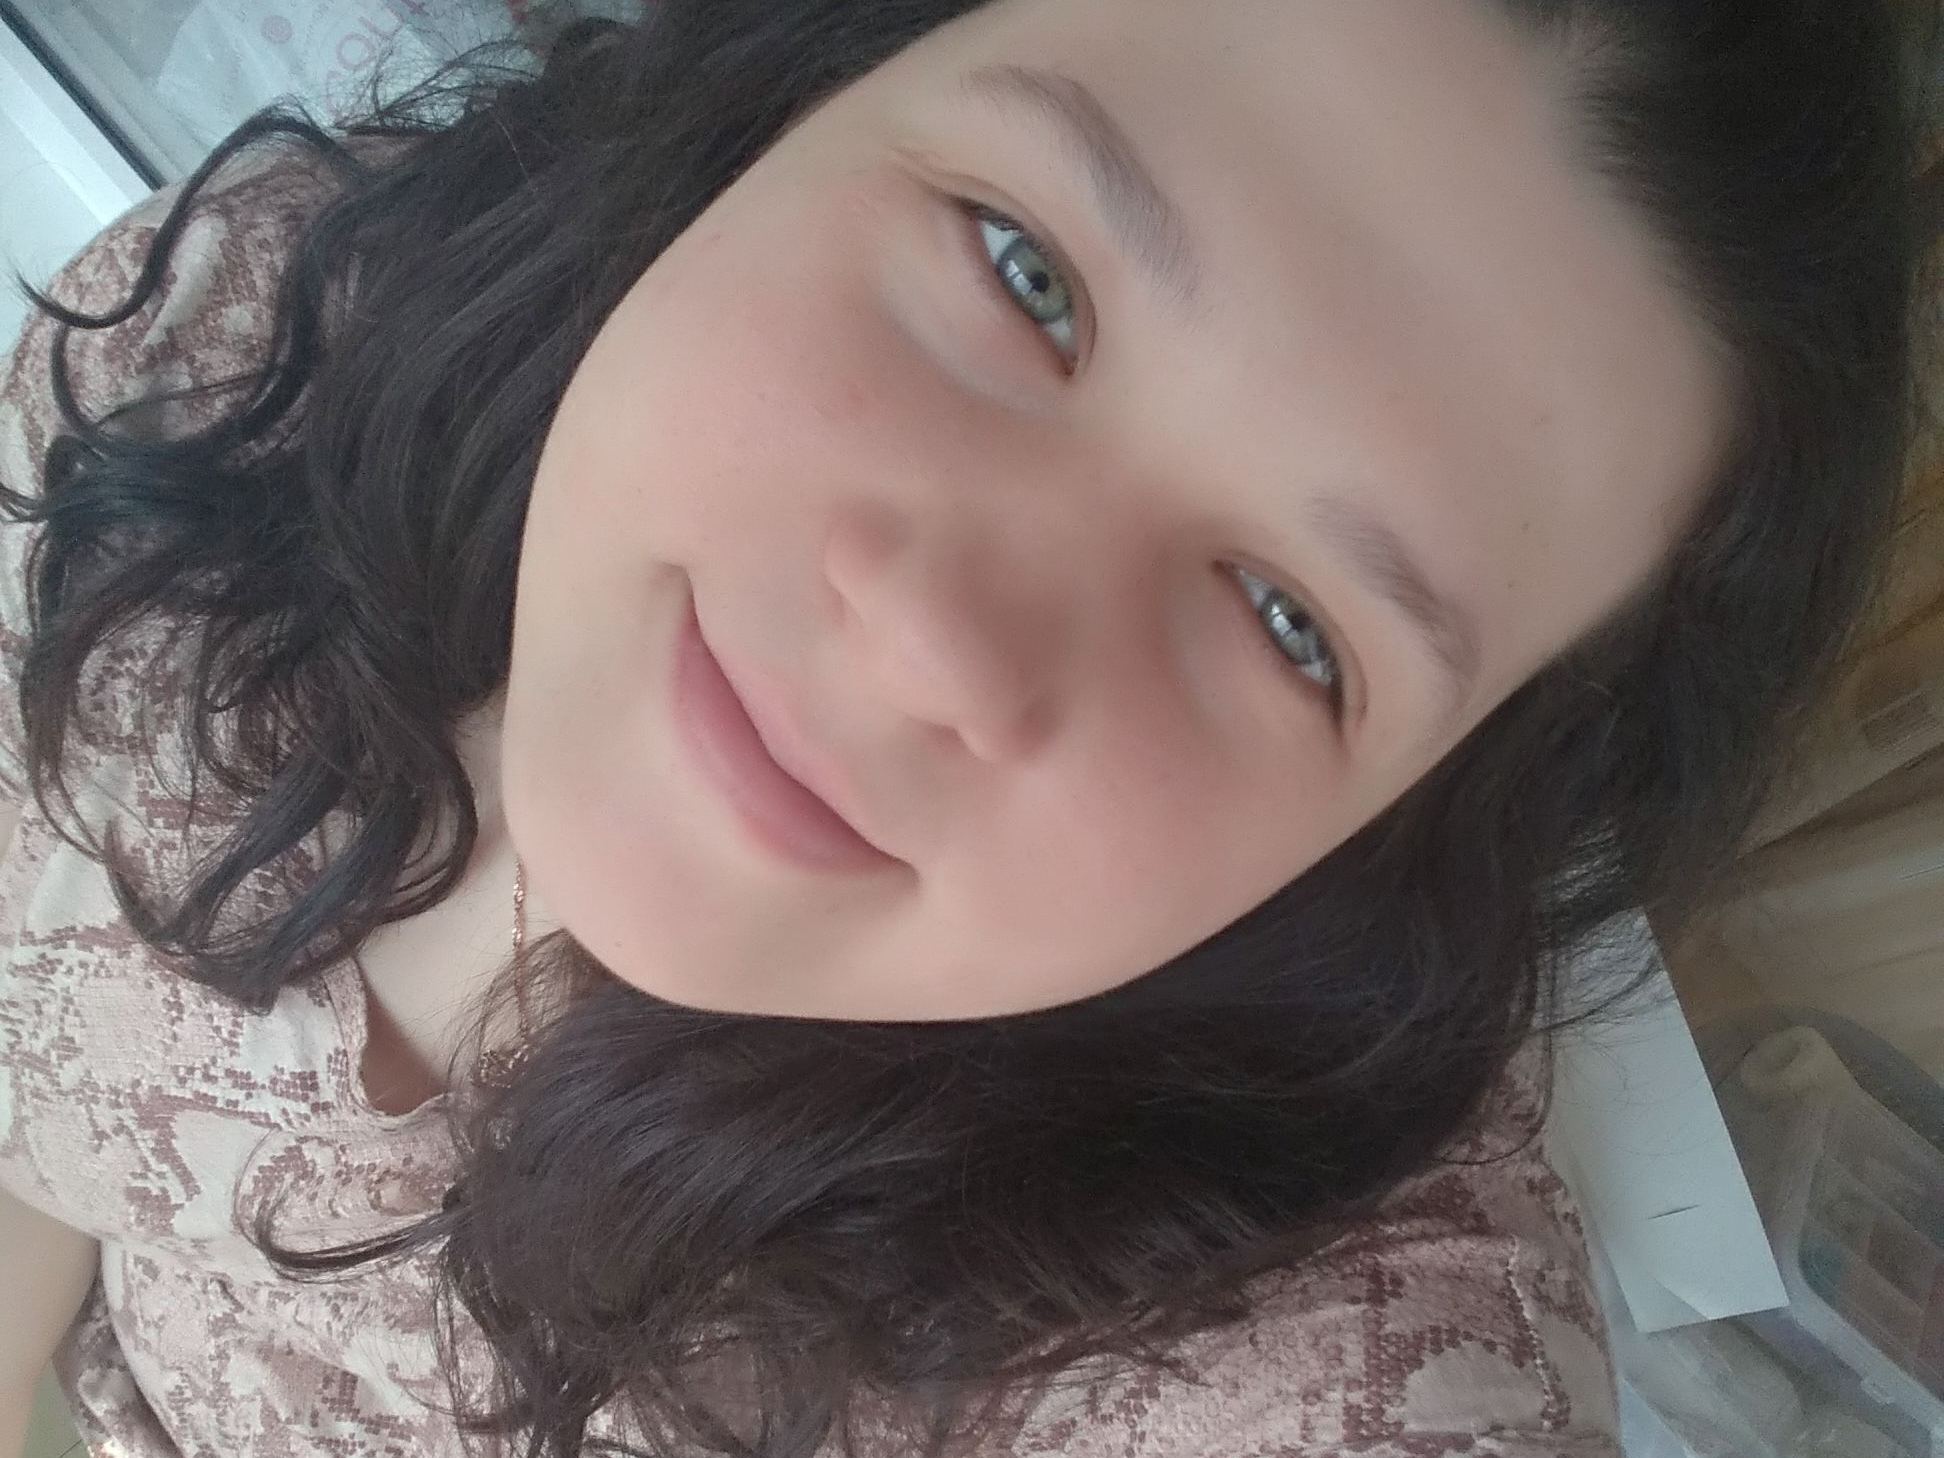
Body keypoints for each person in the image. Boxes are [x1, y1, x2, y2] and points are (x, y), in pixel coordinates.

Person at [0, 0, 1932, 1454]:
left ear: (1420, 824)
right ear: (809, 78)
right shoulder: (236, 340)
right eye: (1027, 272)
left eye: (1290, 626)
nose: (937, 645)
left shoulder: (1303, 1368)